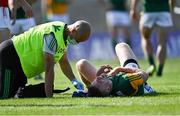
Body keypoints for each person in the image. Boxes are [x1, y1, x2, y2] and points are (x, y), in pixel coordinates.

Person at [0, 20, 91, 98]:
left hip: (22, 66)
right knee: (3, 95)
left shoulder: (64, 36)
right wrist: (49, 97)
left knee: (16, 93)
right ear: (73, 30)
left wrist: (73, 80)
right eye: (78, 40)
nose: (77, 43)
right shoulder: (52, 35)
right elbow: (49, 68)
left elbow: (63, 62)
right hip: (11, 55)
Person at [75, 43, 155, 97]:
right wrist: (118, 69)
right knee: (121, 46)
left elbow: (101, 82)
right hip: (132, 78)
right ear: (108, 89)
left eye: (95, 81)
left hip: (107, 87)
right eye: (99, 81)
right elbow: (145, 74)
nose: (98, 78)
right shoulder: (126, 81)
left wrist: (106, 73)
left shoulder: (105, 87)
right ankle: (145, 86)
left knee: (81, 64)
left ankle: (90, 92)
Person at [130, 0, 175, 76]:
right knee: (162, 42)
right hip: (164, 12)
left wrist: (133, 9)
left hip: (148, 12)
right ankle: (160, 70)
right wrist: (170, 8)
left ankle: (152, 65)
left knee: (145, 39)